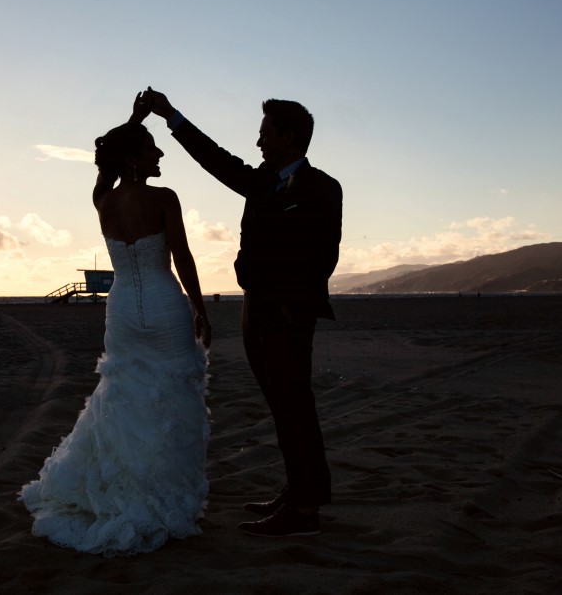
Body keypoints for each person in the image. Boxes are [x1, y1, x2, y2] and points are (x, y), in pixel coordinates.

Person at [141, 87, 342, 538]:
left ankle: (306, 509)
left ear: (289, 137)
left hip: (288, 314)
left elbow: (323, 255)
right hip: (256, 307)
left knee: (296, 406)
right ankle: (298, 490)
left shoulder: (321, 187)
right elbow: (214, 158)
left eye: (265, 134)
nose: (258, 143)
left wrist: (293, 305)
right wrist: (171, 115)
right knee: (280, 405)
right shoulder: (261, 182)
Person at [19, 94, 212, 556]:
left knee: (124, 397)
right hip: (165, 306)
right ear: (133, 157)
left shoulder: (103, 200)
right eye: (151, 147)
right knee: (170, 397)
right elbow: (181, 256)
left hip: (122, 307)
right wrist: (200, 308)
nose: (160, 153)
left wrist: (134, 121)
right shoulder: (165, 198)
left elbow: (105, 169)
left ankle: (127, 488)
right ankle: (159, 494)